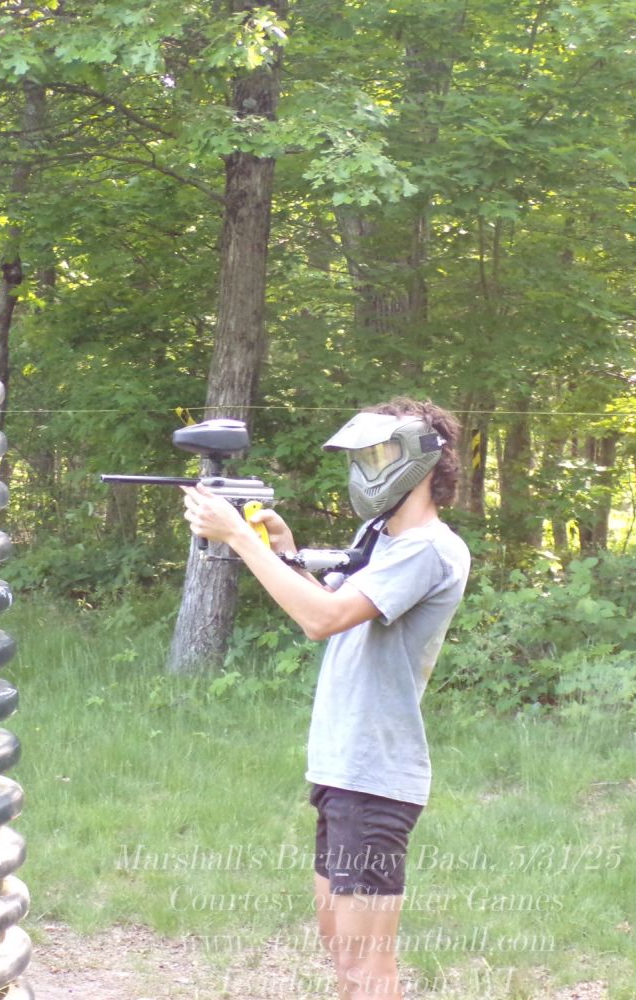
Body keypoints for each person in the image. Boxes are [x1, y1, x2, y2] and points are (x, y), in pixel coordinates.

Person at [181, 397, 471, 999]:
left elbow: (321, 620)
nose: (366, 469)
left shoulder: (428, 548)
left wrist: (239, 537)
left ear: (421, 460)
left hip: (375, 775)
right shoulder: (379, 536)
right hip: (343, 771)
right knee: (343, 957)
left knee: (368, 971)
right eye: (362, 457)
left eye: (379, 456)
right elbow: (329, 605)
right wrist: (280, 548)